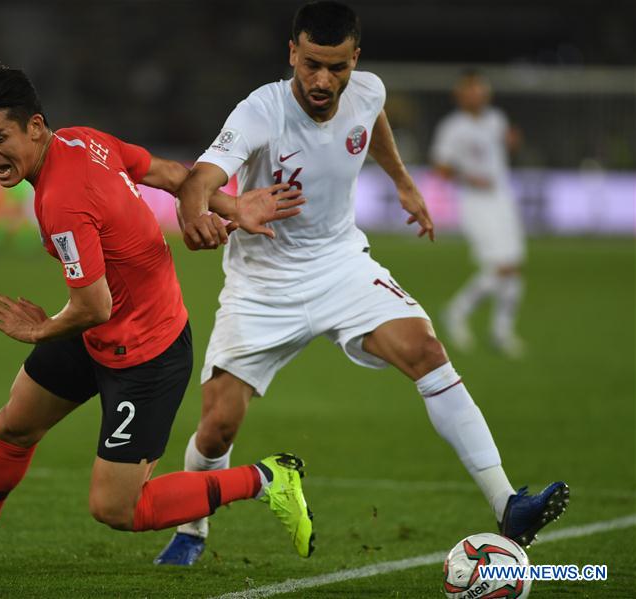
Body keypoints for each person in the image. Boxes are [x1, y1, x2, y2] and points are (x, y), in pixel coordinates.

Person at [155, 1, 568, 566]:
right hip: (262, 284)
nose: (323, 81)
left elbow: (371, 121)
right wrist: (198, 215)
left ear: (355, 60)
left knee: (425, 349)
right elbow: (200, 178)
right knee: (218, 426)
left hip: (342, 264)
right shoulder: (261, 110)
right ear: (292, 54)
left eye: (337, 68)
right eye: (311, 66)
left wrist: (401, 181)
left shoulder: (369, 90)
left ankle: (506, 503)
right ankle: (192, 530)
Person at [0, 67, 313, 571]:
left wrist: (36, 330)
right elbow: (167, 174)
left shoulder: (60, 202)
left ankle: (268, 479)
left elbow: (95, 304)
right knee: (13, 427)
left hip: (146, 352)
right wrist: (229, 204)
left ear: (34, 126)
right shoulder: (82, 140)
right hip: (93, 332)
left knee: (117, 508)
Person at [432, 70, 527, 357]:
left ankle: (501, 330)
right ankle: (457, 312)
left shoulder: (496, 119)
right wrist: (469, 177)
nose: (476, 94)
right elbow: (441, 167)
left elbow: (500, 152)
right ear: (460, 95)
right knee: (500, 267)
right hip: (475, 203)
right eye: (469, 90)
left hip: (502, 198)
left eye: (479, 89)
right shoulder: (452, 127)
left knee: (514, 266)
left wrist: (512, 143)